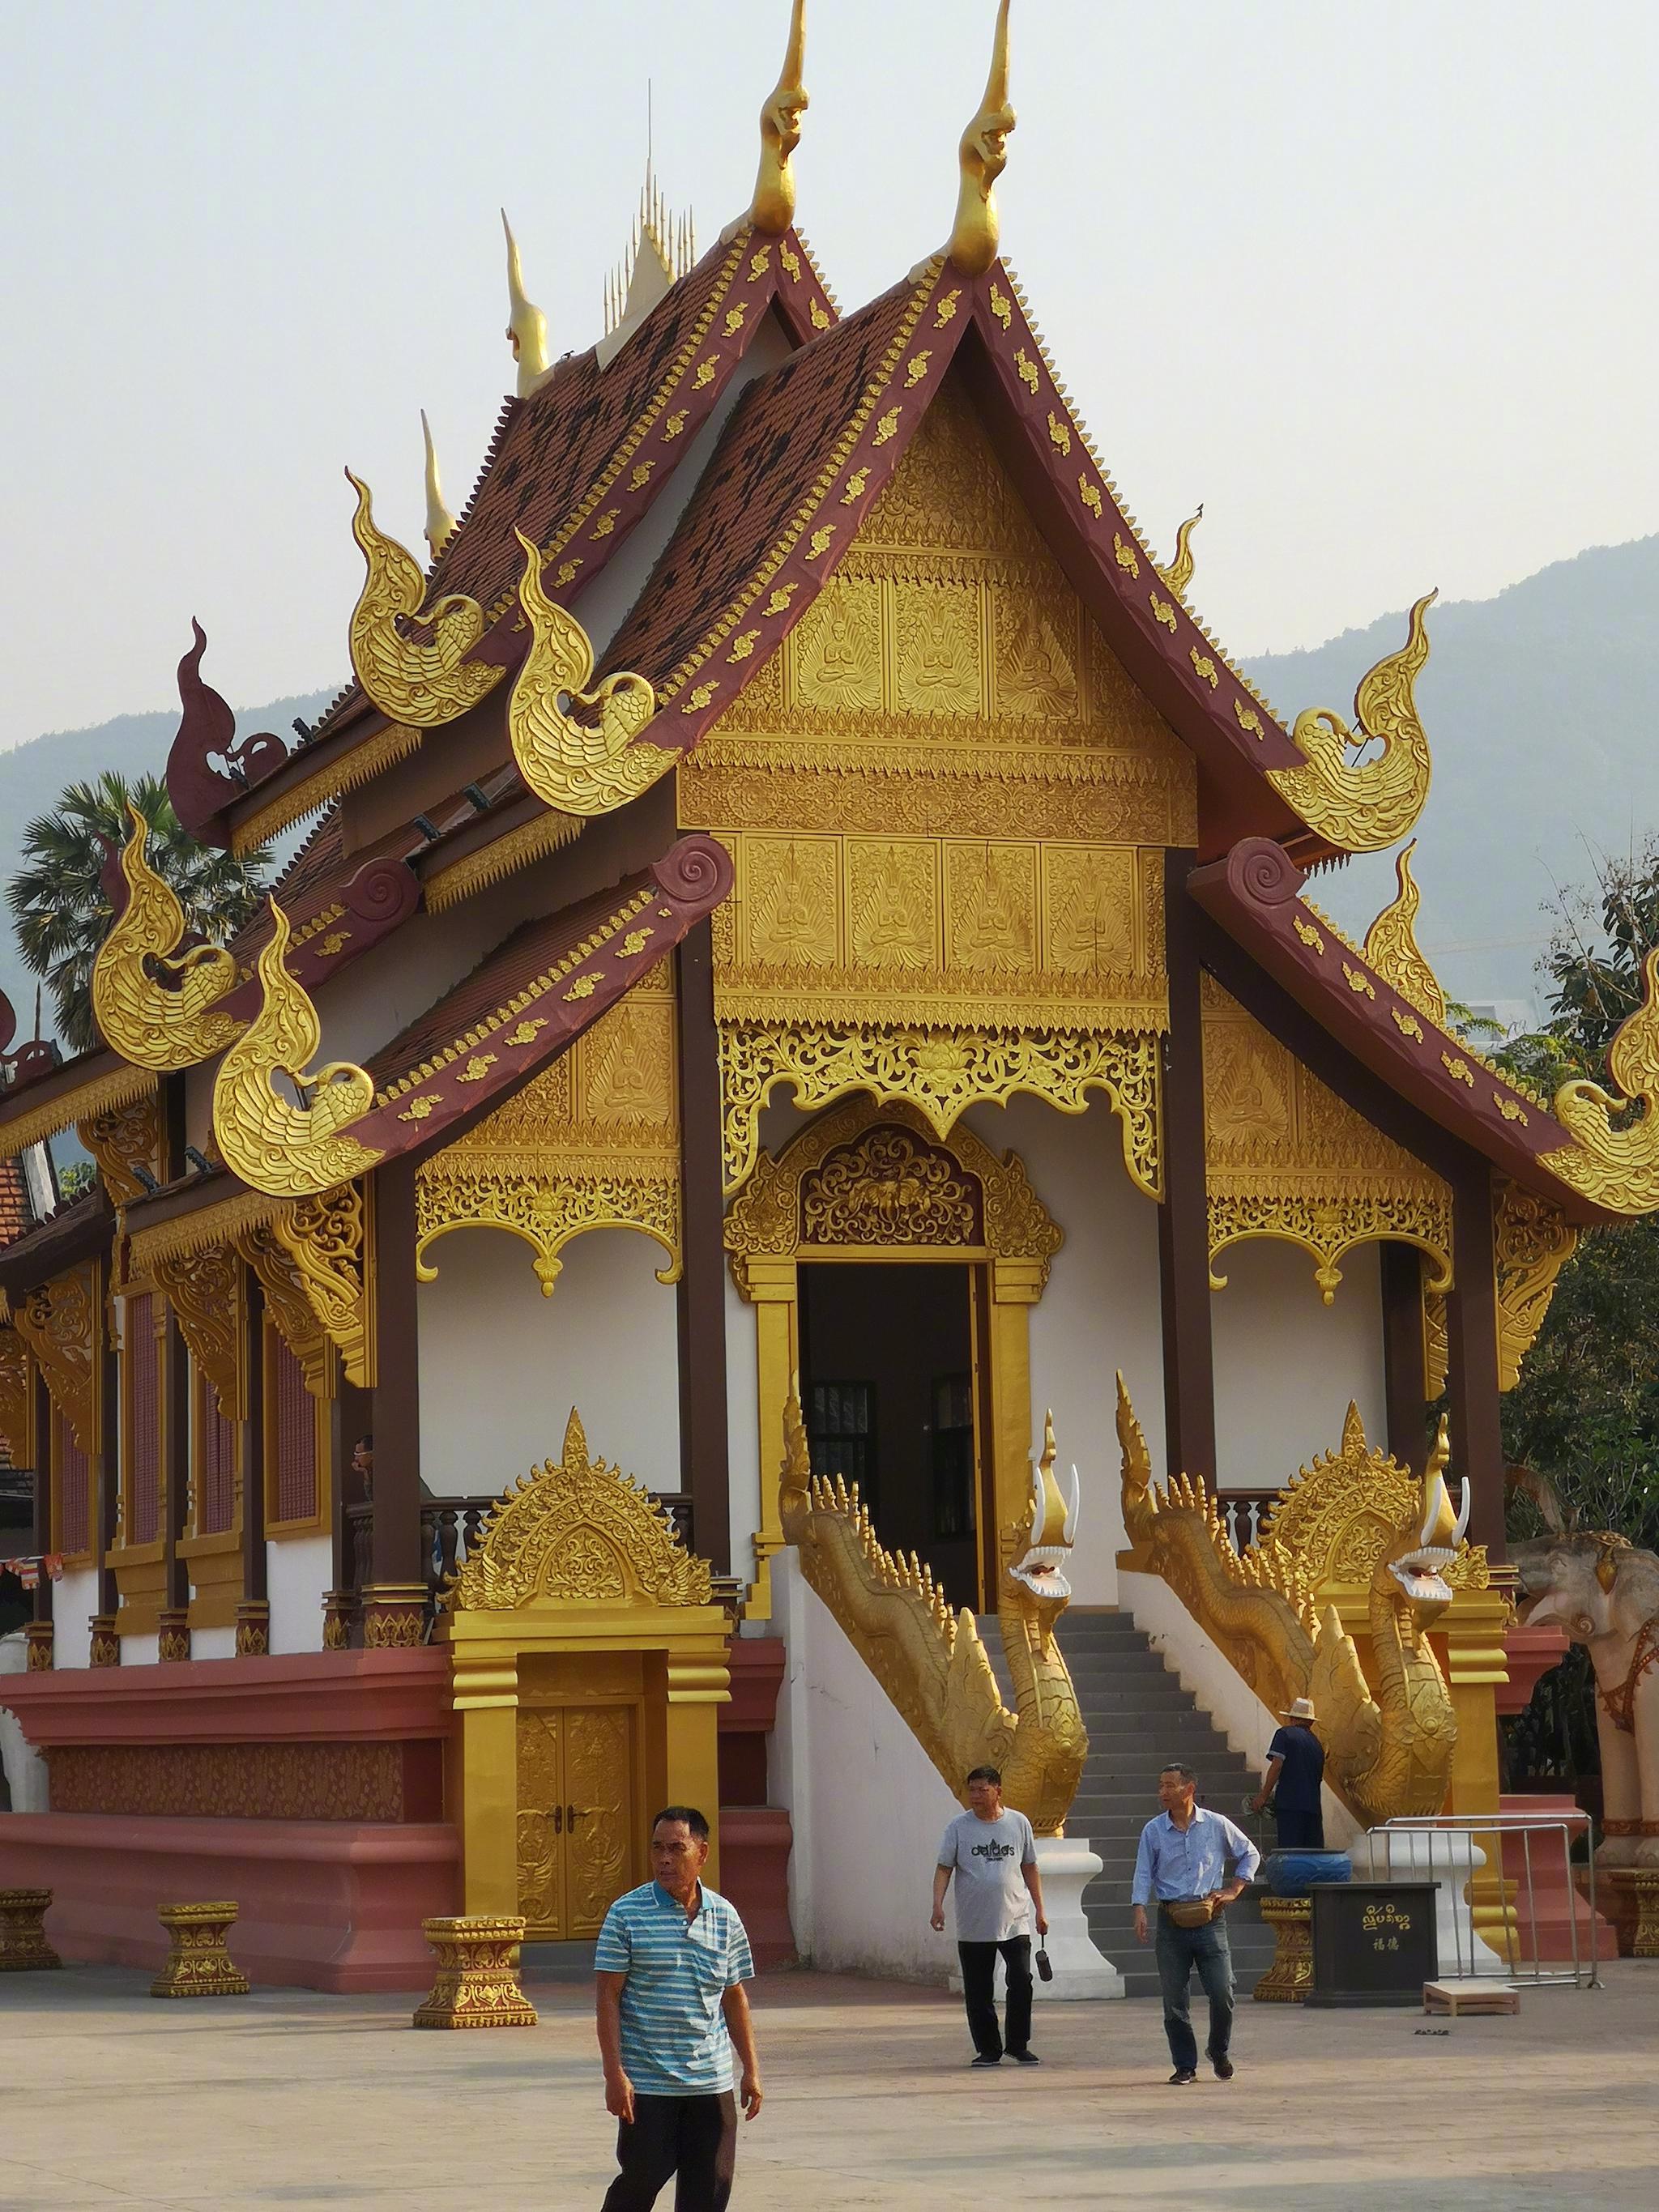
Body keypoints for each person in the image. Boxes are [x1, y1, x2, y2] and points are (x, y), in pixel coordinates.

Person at [595, 1807, 761, 2212]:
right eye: (657, 1848)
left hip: (711, 2084)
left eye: (676, 1848)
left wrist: (751, 2071)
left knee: (708, 2194)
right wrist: (614, 2074)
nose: (665, 1859)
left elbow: (734, 1996)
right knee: (639, 2183)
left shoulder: (725, 1916)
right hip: (649, 2086)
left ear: (701, 1853)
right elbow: (607, 1996)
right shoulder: (626, 1914)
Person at [1131, 1762, 1260, 2084]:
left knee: (1223, 1992)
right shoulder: (1153, 1830)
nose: (1163, 1792)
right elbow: (1144, 1870)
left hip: (1210, 1920)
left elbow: (1250, 1853)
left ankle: (1219, 2050)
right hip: (1172, 1920)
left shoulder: (1216, 1825)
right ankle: (1185, 2065)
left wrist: (1235, 1889)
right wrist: (1139, 1908)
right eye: (1160, 1785)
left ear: (1188, 1790)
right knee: (1175, 2000)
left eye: (1170, 1785)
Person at [931, 1763, 1049, 2066]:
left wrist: (1040, 1910)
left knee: (1021, 1980)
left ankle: (1018, 2044)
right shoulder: (958, 1827)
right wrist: (938, 1905)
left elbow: (1030, 1866)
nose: (976, 1796)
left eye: (983, 1790)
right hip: (975, 1923)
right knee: (979, 1989)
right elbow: (944, 1868)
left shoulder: (1018, 1823)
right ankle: (988, 2049)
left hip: (1016, 1919)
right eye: (972, 1790)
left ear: (998, 1791)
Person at [1250, 1696, 1326, 1850]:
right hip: (1313, 1807)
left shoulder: (1284, 1734)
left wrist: (1263, 1796)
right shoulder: (1317, 1744)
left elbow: (1277, 1766)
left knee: (1291, 1852)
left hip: (1290, 1805)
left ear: (1291, 1718)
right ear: (1311, 1722)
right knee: (1312, 1855)